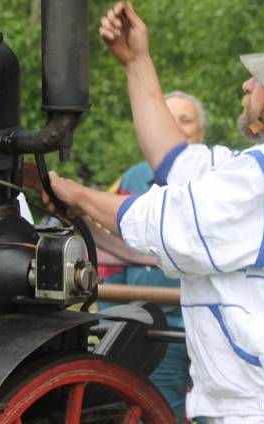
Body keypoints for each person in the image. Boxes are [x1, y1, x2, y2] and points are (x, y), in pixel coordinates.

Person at [45, 2, 264, 424]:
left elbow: (167, 221)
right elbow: (178, 161)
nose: (248, 85)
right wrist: (137, 61)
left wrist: (74, 193)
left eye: (262, 80)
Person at [96, 90, 207, 421]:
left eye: (185, 120)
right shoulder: (131, 179)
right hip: (154, 330)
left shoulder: (223, 181)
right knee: (162, 414)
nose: (175, 127)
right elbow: (108, 260)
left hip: (209, 326)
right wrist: (111, 321)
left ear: (201, 133)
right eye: (167, 119)